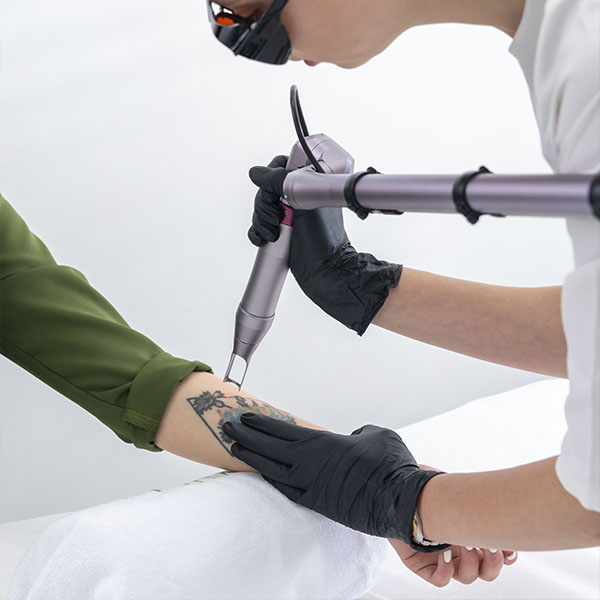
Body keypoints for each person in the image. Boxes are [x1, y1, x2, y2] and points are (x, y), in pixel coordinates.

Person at [214, 0, 600, 575]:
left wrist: (407, 503)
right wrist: (357, 283)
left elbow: (592, 497)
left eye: (243, 12)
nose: (248, 41)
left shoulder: (589, 68)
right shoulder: (567, 40)